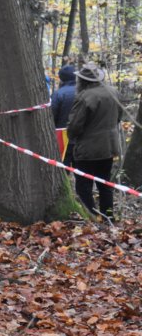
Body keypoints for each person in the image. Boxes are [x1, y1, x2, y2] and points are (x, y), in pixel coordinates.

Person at [66, 62, 123, 220]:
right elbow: (119, 117)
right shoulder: (114, 92)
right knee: (105, 184)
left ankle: (91, 217)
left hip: (87, 150)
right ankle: (108, 216)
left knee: (83, 186)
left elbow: (75, 126)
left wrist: (72, 136)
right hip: (109, 147)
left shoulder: (84, 97)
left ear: (82, 81)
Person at [51, 63, 77, 163]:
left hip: (63, 139)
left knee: (62, 168)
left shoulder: (58, 94)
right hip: (82, 139)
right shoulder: (85, 92)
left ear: (61, 78)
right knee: (81, 170)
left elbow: (52, 116)